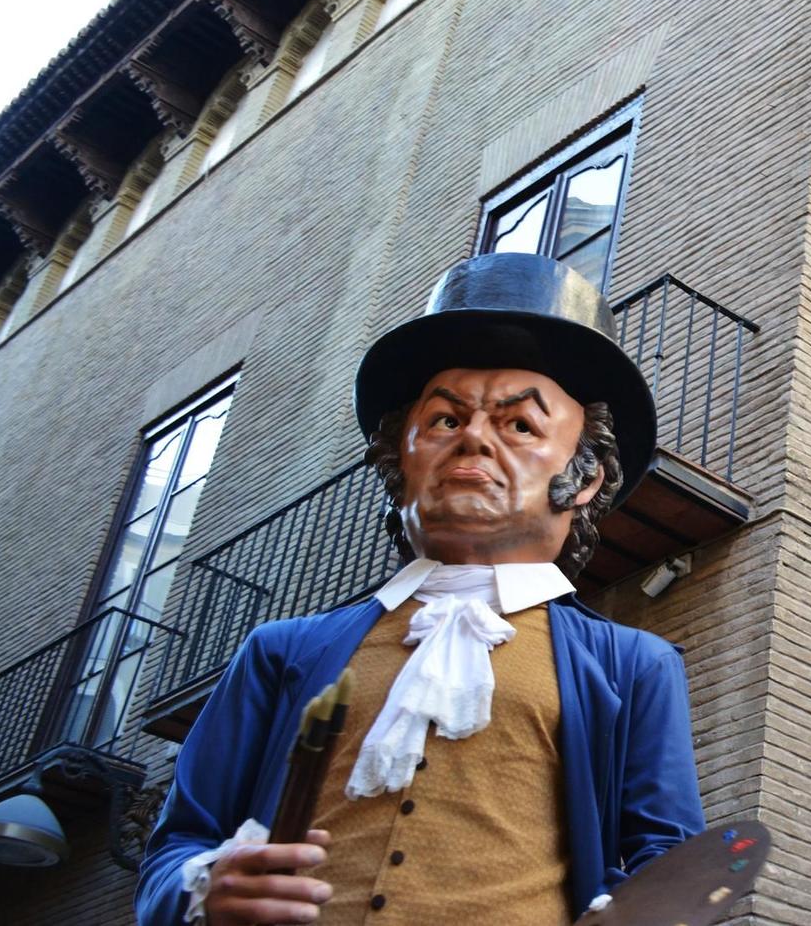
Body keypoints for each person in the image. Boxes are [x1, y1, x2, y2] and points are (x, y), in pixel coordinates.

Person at [136, 253, 705, 925]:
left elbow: (665, 869)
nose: (473, 441)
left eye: (520, 425)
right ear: (398, 459)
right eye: (443, 421)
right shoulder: (282, 652)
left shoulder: (634, 669)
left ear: (582, 480)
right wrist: (205, 887)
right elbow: (177, 847)